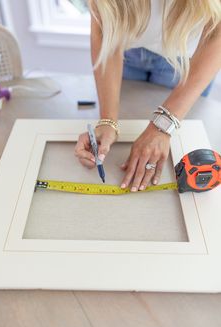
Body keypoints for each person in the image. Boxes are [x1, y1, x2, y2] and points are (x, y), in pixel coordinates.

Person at [75, 0, 221, 192]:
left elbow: (217, 32)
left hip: (189, 57)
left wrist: (162, 126)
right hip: (128, 51)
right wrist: (107, 121)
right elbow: (104, 29)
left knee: (185, 136)